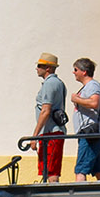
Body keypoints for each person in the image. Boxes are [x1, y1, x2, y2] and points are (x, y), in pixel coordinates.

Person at [32, 52, 67, 183]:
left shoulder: (50, 83)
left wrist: (35, 136)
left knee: (51, 170)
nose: (37, 68)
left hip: (50, 132)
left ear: (48, 68)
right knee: (49, 169)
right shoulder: (57, 83)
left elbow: (45, 111)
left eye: (40, 66)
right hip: (51, 132)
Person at [70, 58, 100, 181]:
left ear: (84, 71)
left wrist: (76, 99)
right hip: (89, 134)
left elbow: (94, 103)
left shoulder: (93, 85)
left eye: (75, 70)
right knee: (99, 171)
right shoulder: (87, 87)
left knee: (80, 170)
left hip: (90, 134)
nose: (73, 72)